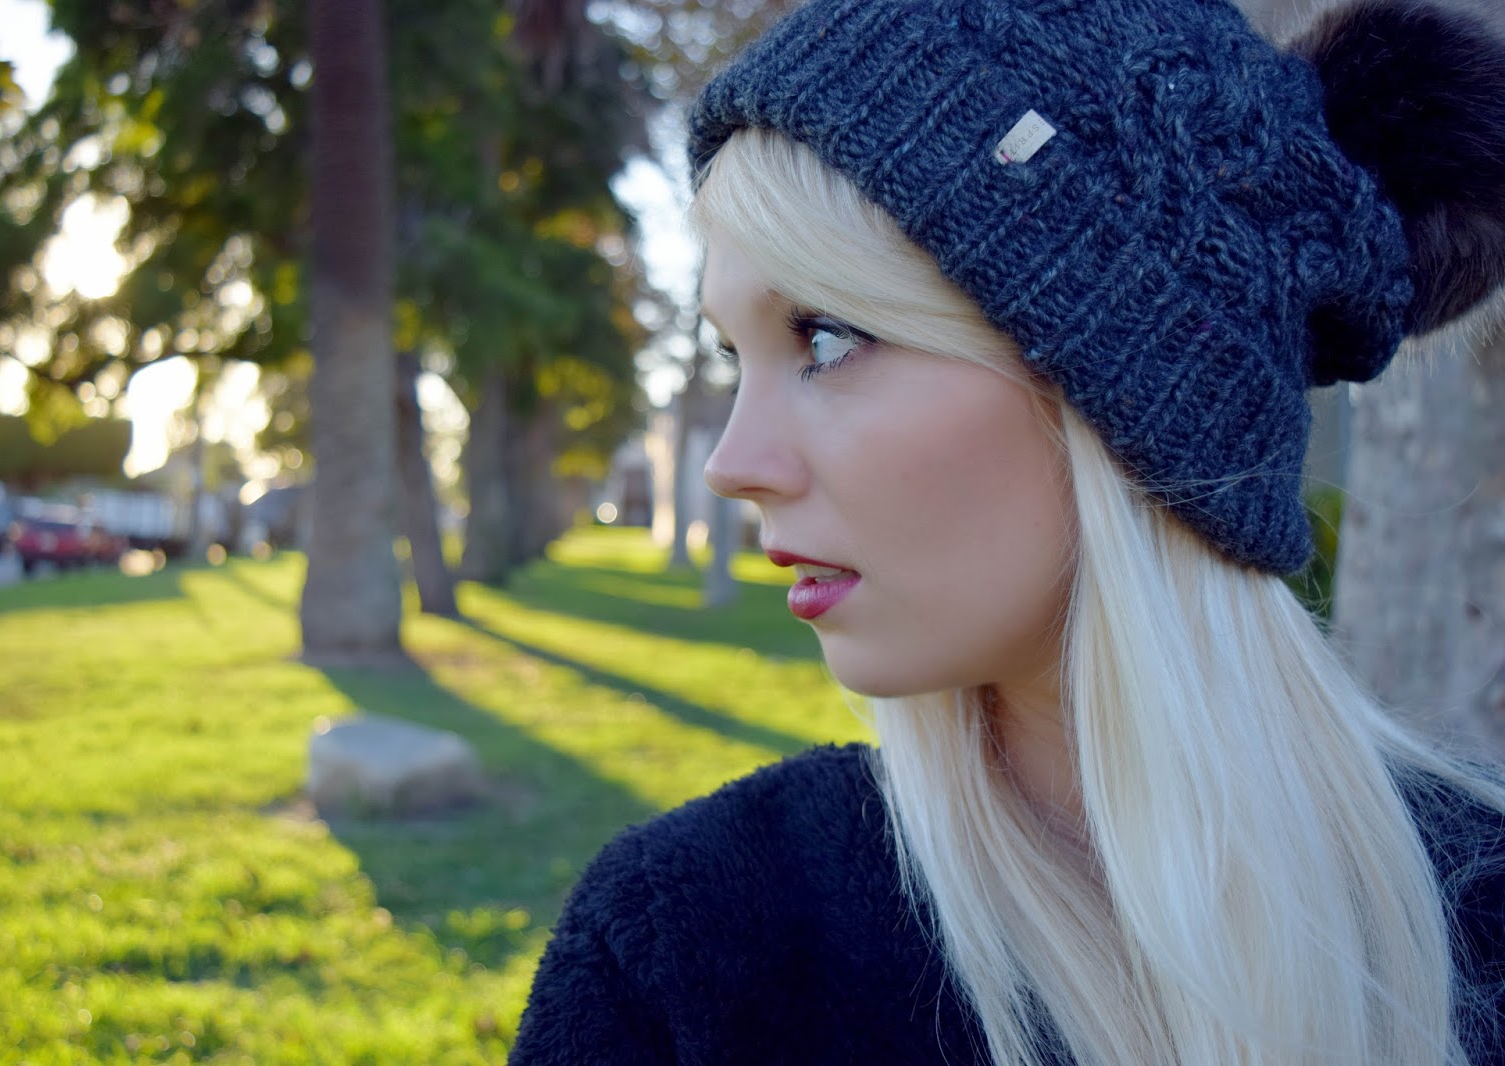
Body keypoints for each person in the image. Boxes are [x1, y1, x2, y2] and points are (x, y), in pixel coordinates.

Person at [509, 0, 1505, 1061]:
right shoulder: (692, 951)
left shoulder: (1478, 912)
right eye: (735, 355)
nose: (732, 464)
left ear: (1127, 396)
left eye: (827, 339)